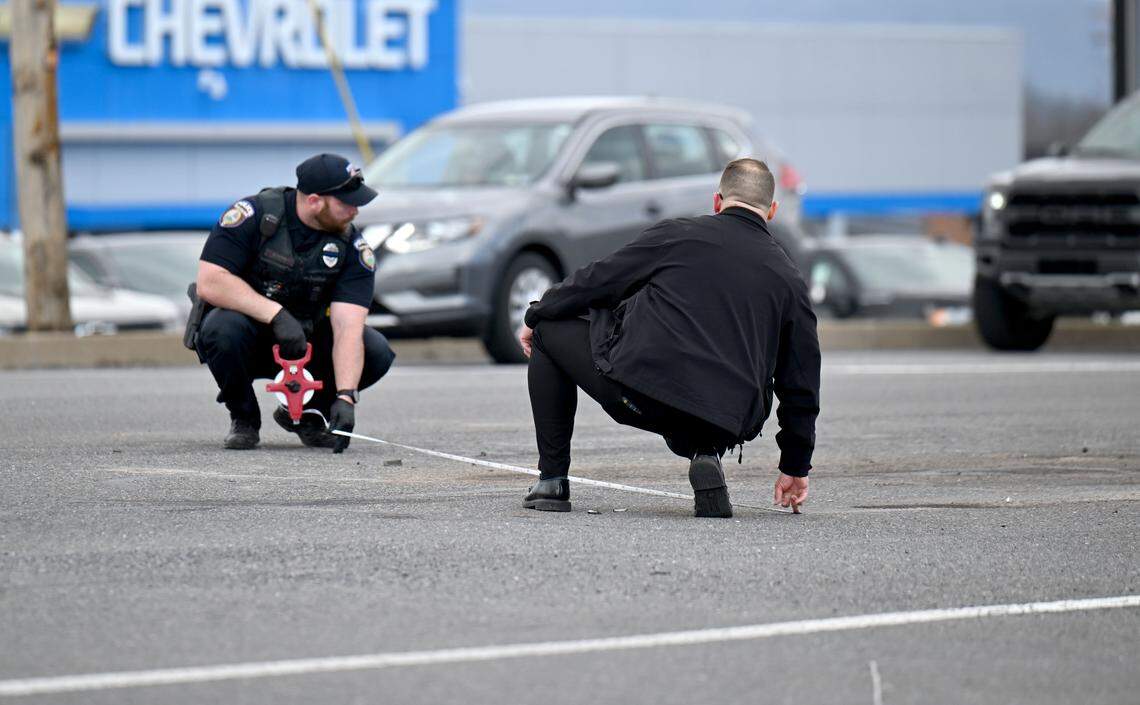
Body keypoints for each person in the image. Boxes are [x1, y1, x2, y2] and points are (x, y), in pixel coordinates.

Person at [518, 158, 820, 518]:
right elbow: (801, 384)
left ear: (717, 201)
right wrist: (795, 466)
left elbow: (598, 280)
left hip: (641, 392)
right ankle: (706, 452)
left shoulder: (677, 234)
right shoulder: (789, 279)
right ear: (771, 211)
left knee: (550, 330)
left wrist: (538, 312)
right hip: (726, 420)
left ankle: (552, 481)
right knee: (713, 389)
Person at [194, 153, 395, 452]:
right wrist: (275, 315)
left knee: (376, 349)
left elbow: (347, 327)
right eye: (346, 203)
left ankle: (307, 413)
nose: (355, 211)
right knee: (220, 328)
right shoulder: (254, 215)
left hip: (306, 343)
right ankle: (244, 418)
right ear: (314, 200)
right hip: (248, 338)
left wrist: (345, 396)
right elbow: (210, 281)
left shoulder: (354, 249)